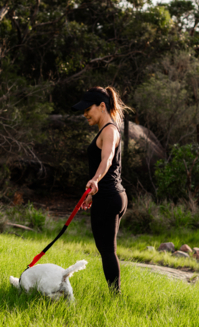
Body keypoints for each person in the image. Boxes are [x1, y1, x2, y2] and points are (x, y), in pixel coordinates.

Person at [71, 86, 130, 294]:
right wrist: (92, 193)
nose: (85, 113)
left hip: (108, 196)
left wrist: (95, 180)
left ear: (102, 106)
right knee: (105, 249)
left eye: (88, 109)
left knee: (107, 250)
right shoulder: (107, 130)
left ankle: (116, 297)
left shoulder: (110, 131)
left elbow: (107, 159)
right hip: (109, 195)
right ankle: (115, 294)